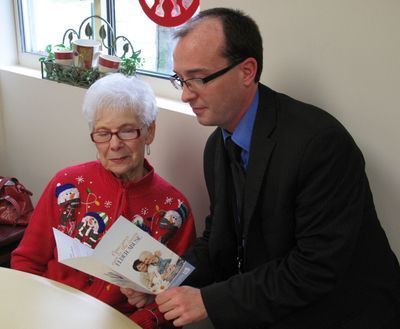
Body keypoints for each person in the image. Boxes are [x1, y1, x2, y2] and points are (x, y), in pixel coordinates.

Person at [122, 7, 400, 329]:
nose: (185, 95)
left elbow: (315, 267)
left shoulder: (319, 145)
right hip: (276, 300)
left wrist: (208, 301)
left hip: (344, 312)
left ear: (247, 71)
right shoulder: (217, 145)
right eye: (181, 80)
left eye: (198, 79)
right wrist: (162, 278)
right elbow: (219, 241)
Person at [11, 73, 196, 329]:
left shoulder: (174, 209)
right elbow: (26, 260)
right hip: (50, 313)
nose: (115, 144)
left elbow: (171, 300)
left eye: (127, 131)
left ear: (149, 132)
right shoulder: (66, 184)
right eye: (103, 133)